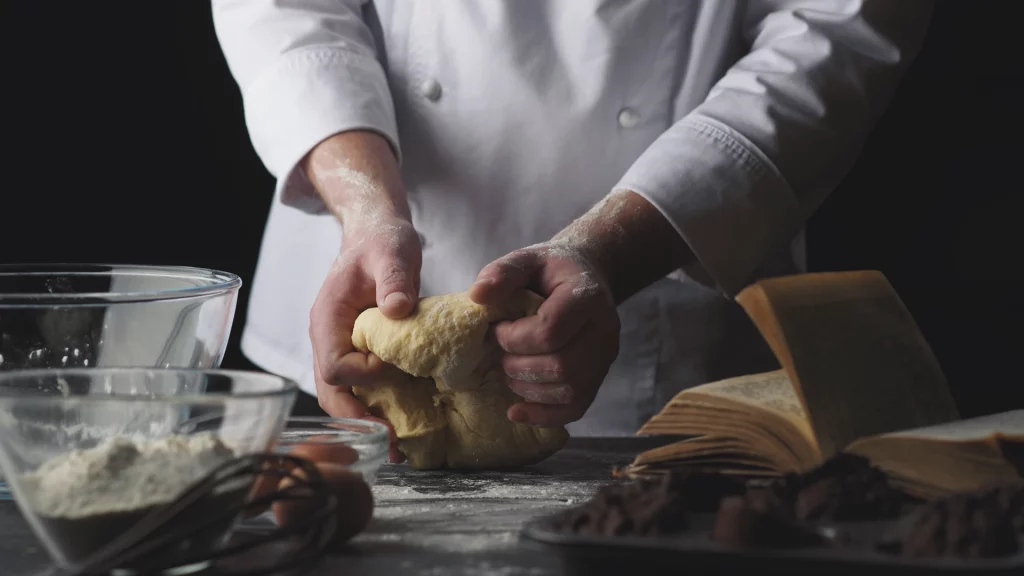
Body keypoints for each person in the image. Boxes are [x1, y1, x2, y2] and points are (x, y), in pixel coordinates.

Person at [212, 0, 934, 461]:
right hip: (355, 316)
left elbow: (838, 32)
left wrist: (613, 250)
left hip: (665, 320)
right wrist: (366, 204)